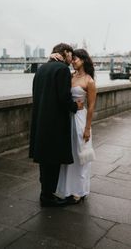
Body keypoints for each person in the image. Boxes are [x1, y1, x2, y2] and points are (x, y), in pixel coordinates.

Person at [29, 43, 84, 207]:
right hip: (54, 123)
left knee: (45, 161)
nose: (71, 59)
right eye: (70, 55)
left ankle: (45, 193)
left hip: (40, 121)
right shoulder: (62, 70)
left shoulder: (41, 69)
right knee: (53, 160)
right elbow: (64, 97)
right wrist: (76, 107)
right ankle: (48, 197)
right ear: (65, 53)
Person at [55, 49, 96, 204]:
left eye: (76, 59)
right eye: (72, 59)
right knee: (68, 154)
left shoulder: (89, 81)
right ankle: (67, 189)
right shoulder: (70, 76)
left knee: (81, 155)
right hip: (68, 118)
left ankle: (80, 190)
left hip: (80, 119)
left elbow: (91, 107)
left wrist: (87, 128)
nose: (73, 61)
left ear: (84, 60)